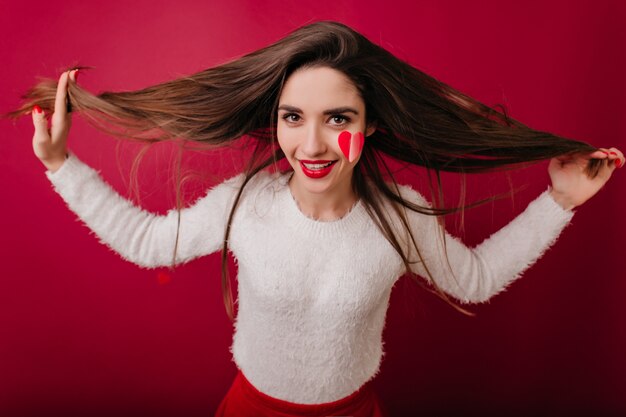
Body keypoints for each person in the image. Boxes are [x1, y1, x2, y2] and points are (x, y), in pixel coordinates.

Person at [10, 20, 623, 417]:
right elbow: (147, 242)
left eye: (338, 119)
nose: (312, 145)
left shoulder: (399, 222)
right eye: (293, 117)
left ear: (369, 125)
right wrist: (61, 164)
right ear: (276, 122)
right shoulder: (246, 205)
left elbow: (476, 279)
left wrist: (559, 201)